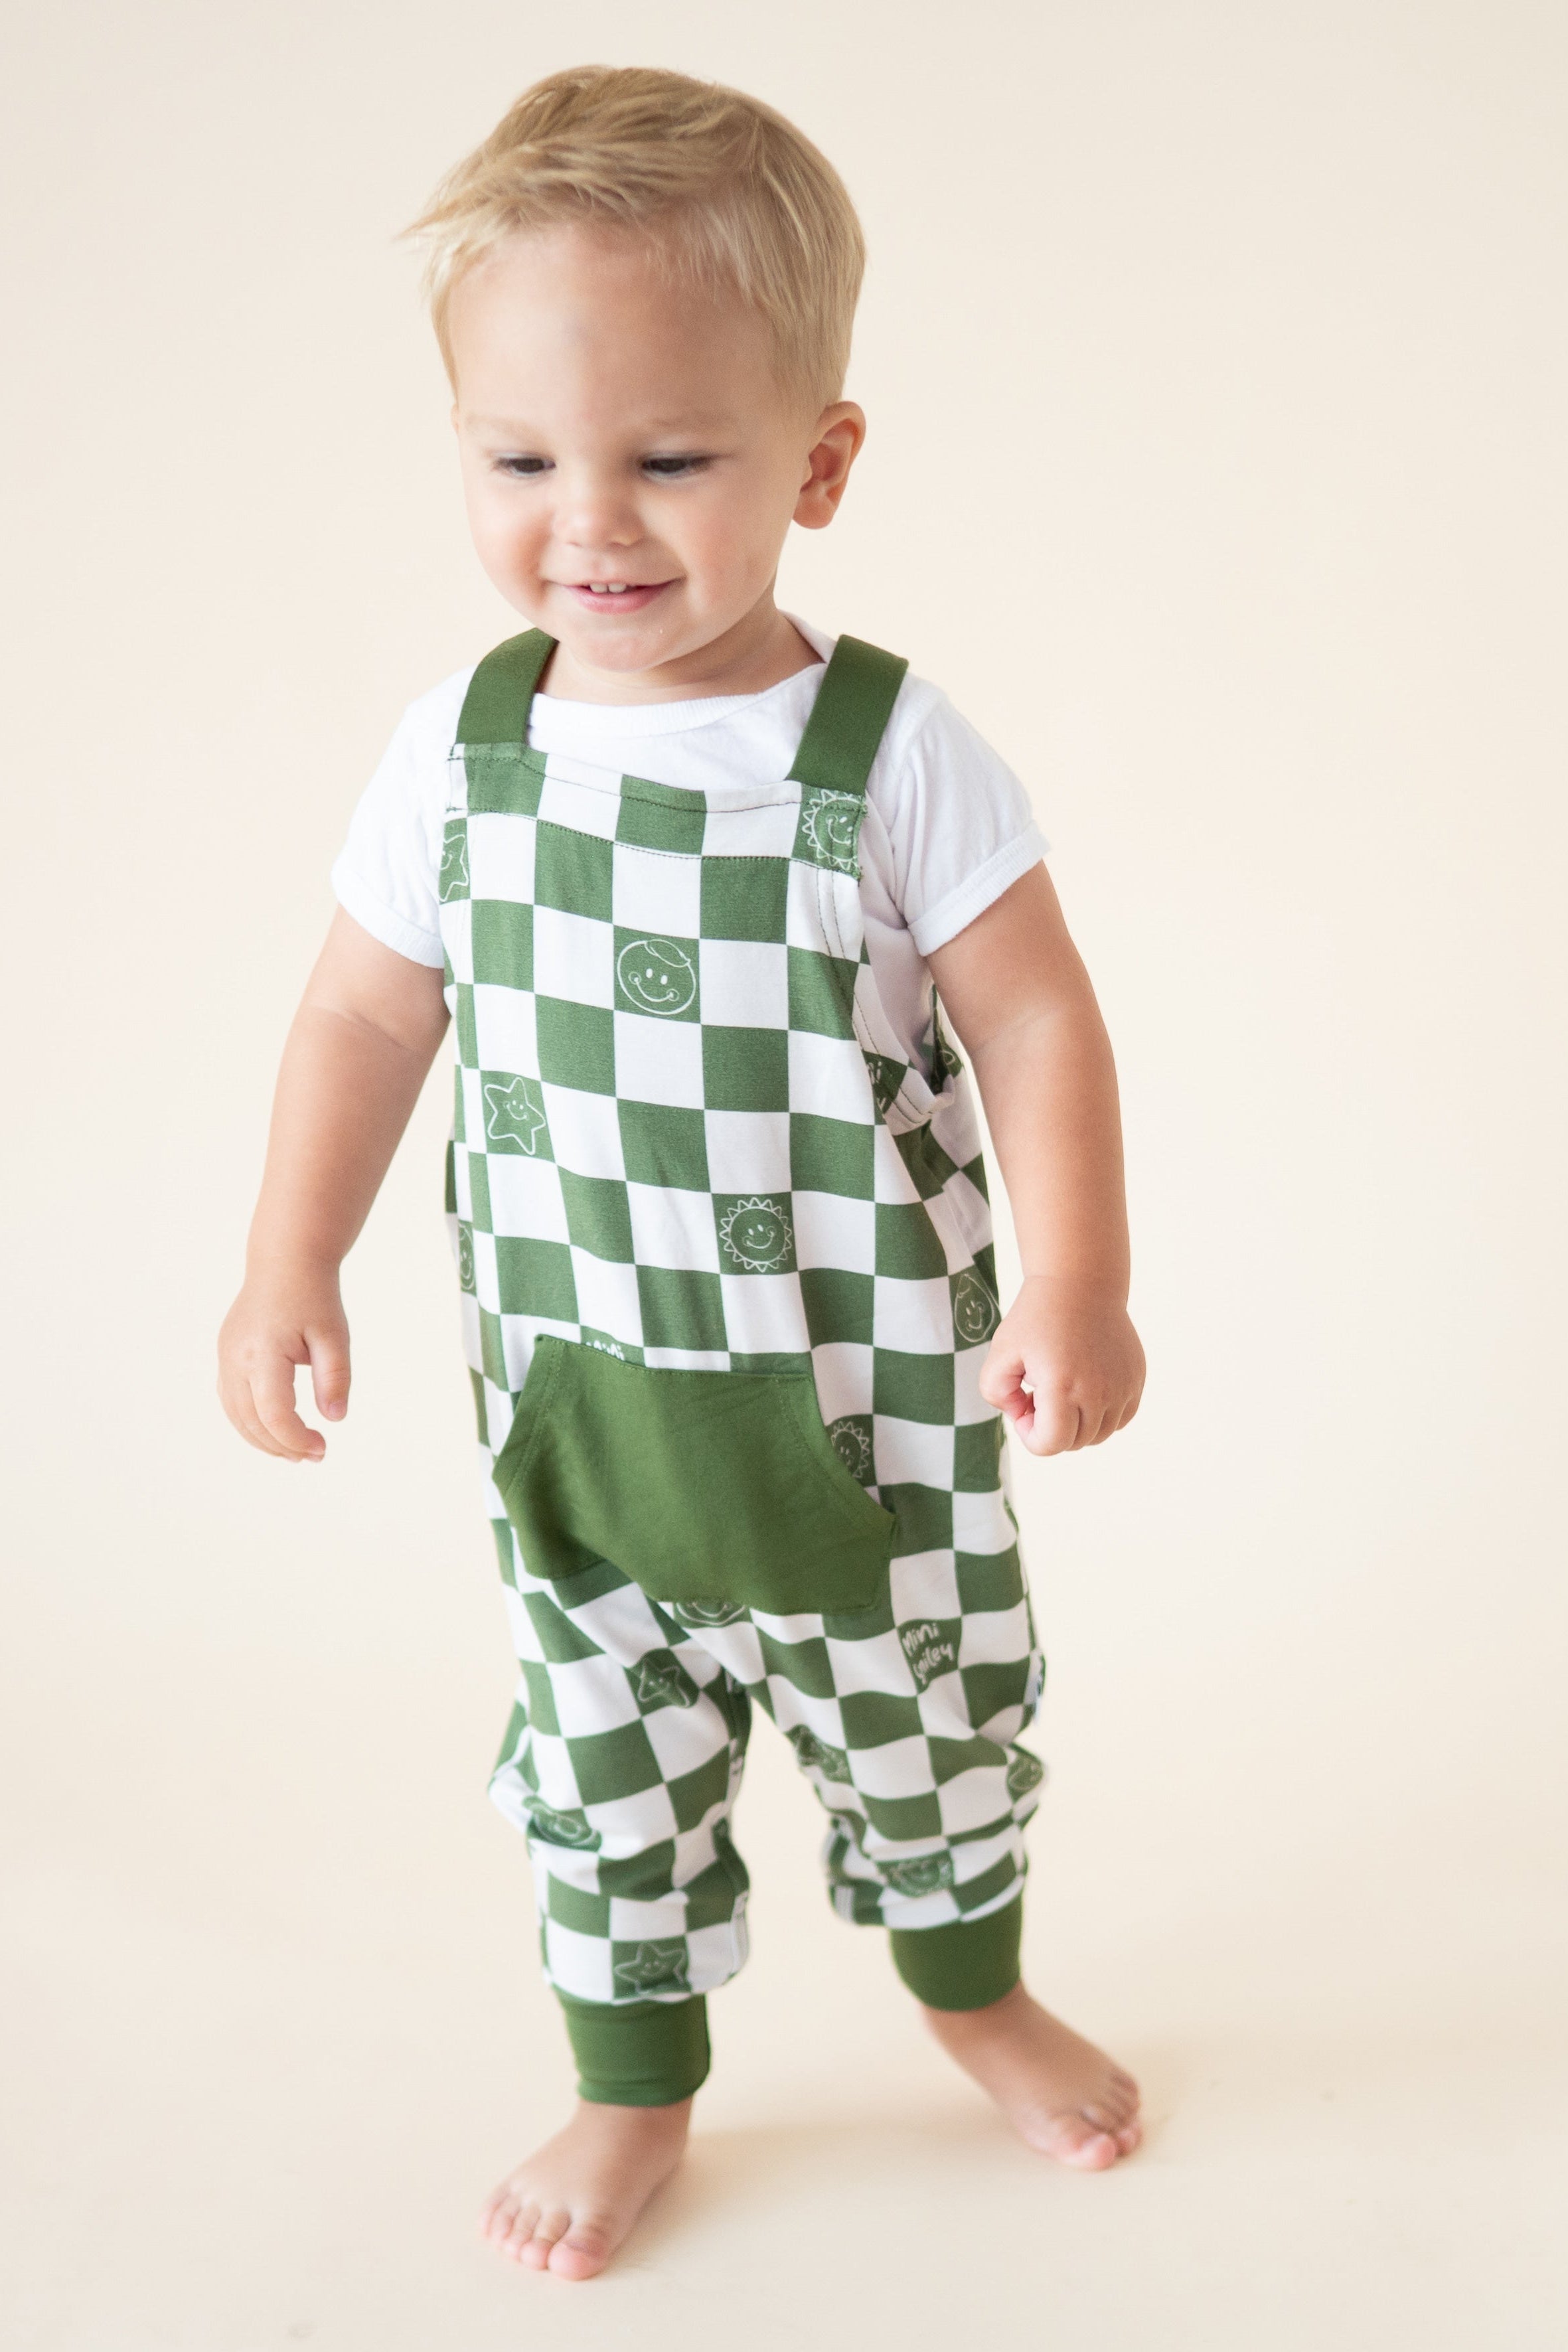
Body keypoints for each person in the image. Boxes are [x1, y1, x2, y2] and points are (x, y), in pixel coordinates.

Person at [218, 64, 1147, 2282]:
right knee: (601, 1771)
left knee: (930, 1731)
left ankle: (976, 1995)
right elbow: (361, 1016)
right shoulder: (462, 752)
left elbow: (1035, 1016)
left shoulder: (884, 750)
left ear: (817, 462)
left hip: (871, 1412)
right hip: (584, 1416)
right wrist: (288, 1264)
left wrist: (1075, 1288)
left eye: (670, 458)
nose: (591, 522)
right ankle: (629, 2094)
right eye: (520, 461)